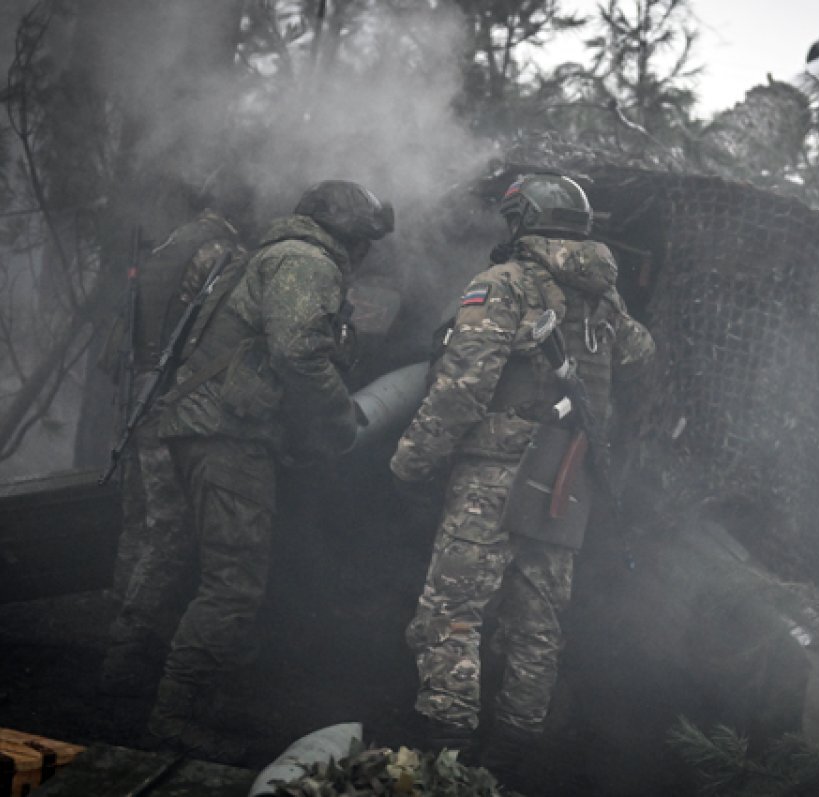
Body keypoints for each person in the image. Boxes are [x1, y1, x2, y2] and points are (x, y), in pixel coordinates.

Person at [389, 173, 655, 775]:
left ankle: (444, 760)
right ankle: (508, 764)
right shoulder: (603, 299)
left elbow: (461, 391)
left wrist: (411, 461)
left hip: (496, 471)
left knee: (452, 611)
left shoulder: (504, 285)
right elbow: (642, 355)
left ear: (523, 222)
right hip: (566, 474)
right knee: (538, 620)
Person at [133, 179, 393, 760]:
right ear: (348, 235)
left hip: (209, 429)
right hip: (227, 437)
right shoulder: (306, 263)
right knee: (233, 587)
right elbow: (299, 354)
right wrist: (338, 425)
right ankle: (171, 720)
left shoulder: (273, 255)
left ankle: (150, 692)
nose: (366, 256)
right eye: (366, 243)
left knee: (213, 575)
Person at [99, 206, 246, 695]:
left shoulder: (167, 245)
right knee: (169, 530)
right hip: (169, 395)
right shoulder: (221, 251)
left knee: (138, 522)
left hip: (139, 390)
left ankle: (118, 630)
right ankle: (128, 654)